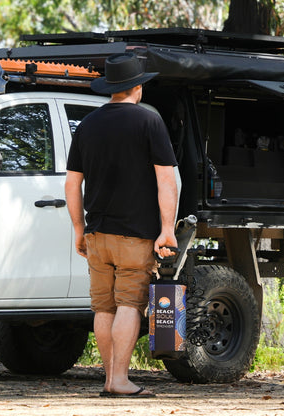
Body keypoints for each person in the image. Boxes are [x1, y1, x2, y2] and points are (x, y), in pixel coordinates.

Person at [65, 53, 178, 398]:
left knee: (103, 307)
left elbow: (72, 185)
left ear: (111, 88)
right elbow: (166, 181)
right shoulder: (149, 122)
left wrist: (78, 230)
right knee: (129, 304)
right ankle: (120, 379)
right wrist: (168, 229)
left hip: (97, 234)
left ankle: (109, 378)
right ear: (137, 87)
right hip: (135, 235)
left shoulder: (87, 125)